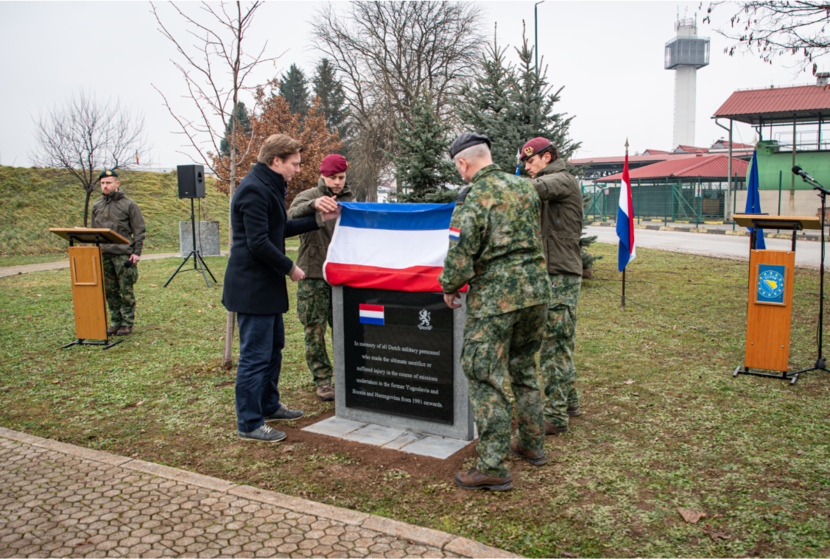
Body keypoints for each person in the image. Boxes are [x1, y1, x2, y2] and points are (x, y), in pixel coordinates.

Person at [439, 133, 552, 491]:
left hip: (496, 300)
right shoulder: (525, 188)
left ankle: (492, 465)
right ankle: (532, 444)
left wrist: (449, 286)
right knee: (523, 366)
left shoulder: (472, 199)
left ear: (463, 163)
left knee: (485, 375)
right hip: (536, 292)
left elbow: (461, 253)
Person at [223, 134, 340, 443]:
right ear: (276, 161)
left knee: (273, 349)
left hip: (267, 287)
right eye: (294, 164)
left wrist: (319, 219)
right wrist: (291, 267)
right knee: (255, 356)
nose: (298, 170)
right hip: (252, 288)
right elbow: (258, 242)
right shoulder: (253, 190)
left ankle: (269, 405)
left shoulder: (269, 187)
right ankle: (249, 422)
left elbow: (281, 229)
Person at [521, 137, 584, 435]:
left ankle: (556, 417)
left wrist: (494, 185)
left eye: (530, 162)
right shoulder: (551, 181)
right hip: (556, 272)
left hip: (559, 274)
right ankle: (570, 402)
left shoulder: (562, 180)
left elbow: (537, 189)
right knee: (562, 342)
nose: (527, 169)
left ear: (546, 157)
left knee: (553, 346)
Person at [287, 154, 353, 402]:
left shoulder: (350, 200)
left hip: (343, 274)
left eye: (341, 177)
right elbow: (291, 215)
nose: (337, 182)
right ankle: (323, 380)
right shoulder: (308, 196)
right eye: (332, 177)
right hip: (313, 273)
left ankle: (349, 375)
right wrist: (314, 205)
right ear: (323, 175)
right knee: (314, 330)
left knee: (345, 328)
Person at [90, 169, 146, 337]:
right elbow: (93, 230)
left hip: (123, 254)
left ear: (117, 184)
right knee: (110, 290)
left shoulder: (129, 204)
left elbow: (139, 229)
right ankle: (115, 322)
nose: (105, 186)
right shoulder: (97, 205)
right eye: (102, 183)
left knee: (126, 289)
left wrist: (136, 252)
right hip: (104, 254)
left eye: (108, 183)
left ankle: (127, 323)